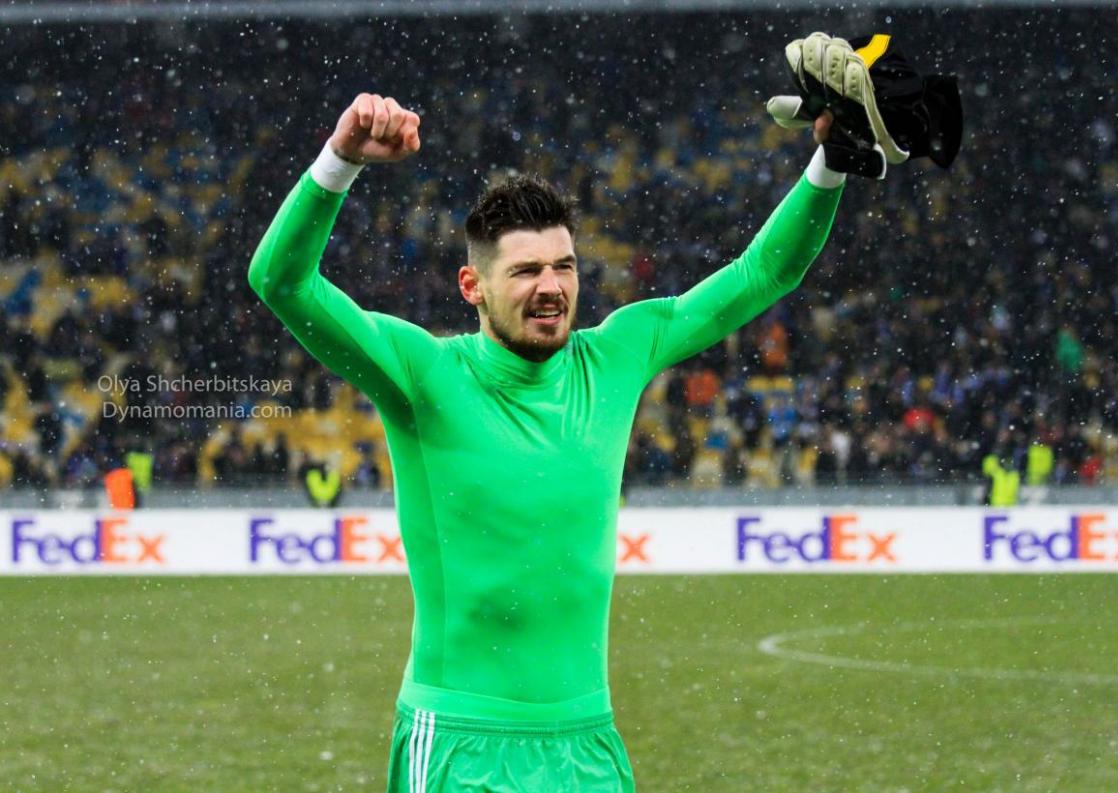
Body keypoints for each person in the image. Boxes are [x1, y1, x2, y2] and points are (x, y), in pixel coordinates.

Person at [249, 90, 843, 792]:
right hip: (462, 742)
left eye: (564, 266)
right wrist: (340, 161)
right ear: (472, 285)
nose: (552, 286)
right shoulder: (424, 373)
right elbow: (280, 281)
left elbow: (765, 272)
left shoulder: (618, 354)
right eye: (526, 271)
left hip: (589, 743)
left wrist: (833, 160)